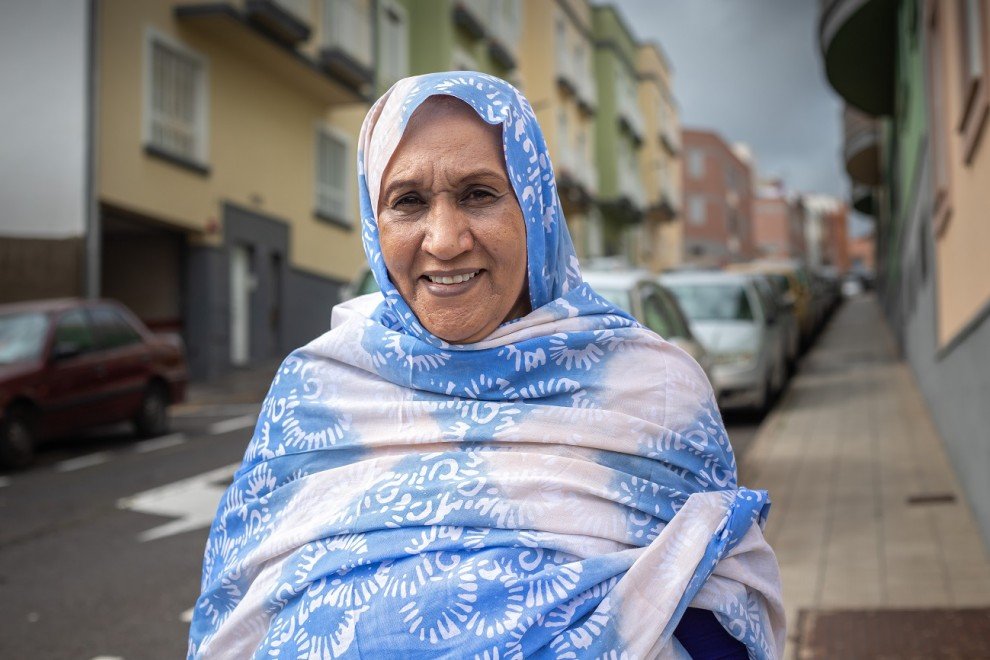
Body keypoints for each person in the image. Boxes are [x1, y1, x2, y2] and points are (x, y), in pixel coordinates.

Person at [188, 72, 784, 659]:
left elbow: (722, 612)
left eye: (479, 193)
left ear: (535, 209)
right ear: (375, 223)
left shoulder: (653, 387)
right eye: (408, 201)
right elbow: (235, 612)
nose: (444, 240)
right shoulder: (317, 390)